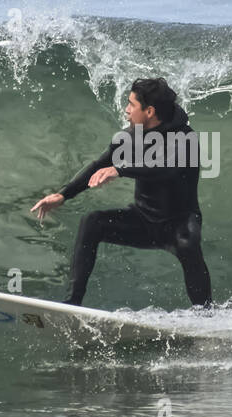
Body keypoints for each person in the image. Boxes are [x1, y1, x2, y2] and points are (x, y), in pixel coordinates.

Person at [30, 77, 213, 309]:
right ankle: (72, 302)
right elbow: (100, 164)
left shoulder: (186, 139)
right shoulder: (131, 136)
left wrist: (120, 170)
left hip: (178, 223)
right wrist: (64, 194)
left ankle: (205, 316)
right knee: (92, 222)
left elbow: (165, 169)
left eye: (131, 104)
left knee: (187, 244)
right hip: (143, 220)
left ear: (149, 111)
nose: (126, 109)